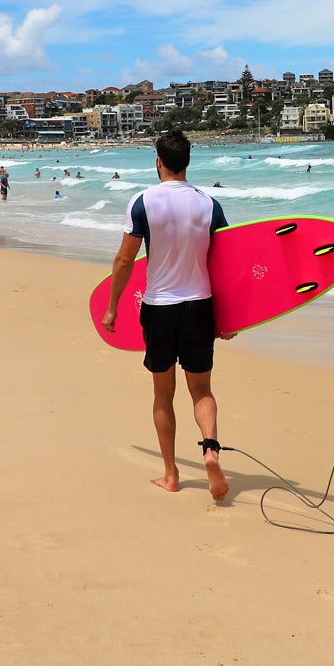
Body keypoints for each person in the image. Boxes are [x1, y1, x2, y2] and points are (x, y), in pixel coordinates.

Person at [102, 130, 231, 501]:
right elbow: (225, 264)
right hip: (200, 305)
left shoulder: (142, 202)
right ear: (187, 162)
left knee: (163, 394)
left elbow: (125, 259)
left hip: (159, 307)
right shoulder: (209, 205)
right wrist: (230, 317)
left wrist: (112, 306)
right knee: (202, 389)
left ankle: (172, 474)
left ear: (158, 161)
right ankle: (209, 449)